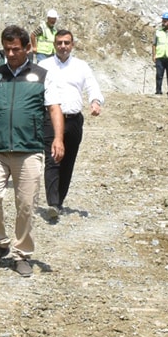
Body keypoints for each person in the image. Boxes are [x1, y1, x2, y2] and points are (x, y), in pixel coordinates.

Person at [0, 26, 64, 279]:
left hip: (29, 149)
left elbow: (55, 109)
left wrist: (58, 139)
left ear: (28, 48)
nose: (11, 53)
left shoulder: (43, 76)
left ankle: (22, 253)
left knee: (25, 205)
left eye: (16, 49)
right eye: (7, 49)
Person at [40, 28, 103, 221]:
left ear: (72, 45)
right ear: (54, 45)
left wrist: (95, 101)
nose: (63, 46)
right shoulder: (44, 65)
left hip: (74, 119)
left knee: (68, 161)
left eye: (66, 43)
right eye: (59, 43)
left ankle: (59, 201)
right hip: (50, 119)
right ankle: (52, 202)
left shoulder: (81, 66)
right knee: (52, 159)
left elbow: (92, 85)